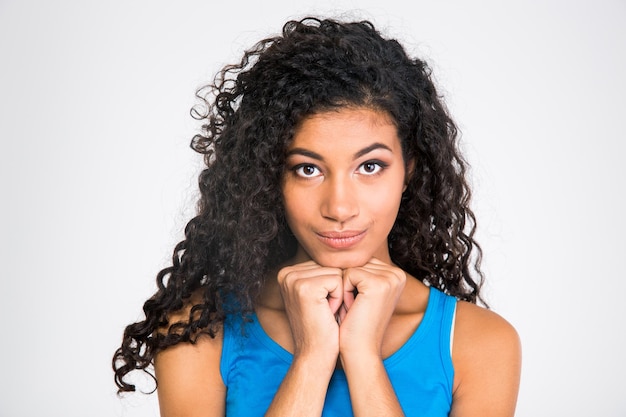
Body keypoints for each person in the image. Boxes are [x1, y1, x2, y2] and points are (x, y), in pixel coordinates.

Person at [113, 16, 521, 416]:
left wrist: (362, 357)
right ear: (270, 176)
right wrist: (312, 357)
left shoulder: (478, 343)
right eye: (308, 169)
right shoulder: (198, 330)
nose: (340, 208)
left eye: (370, 166)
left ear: (408, 169)